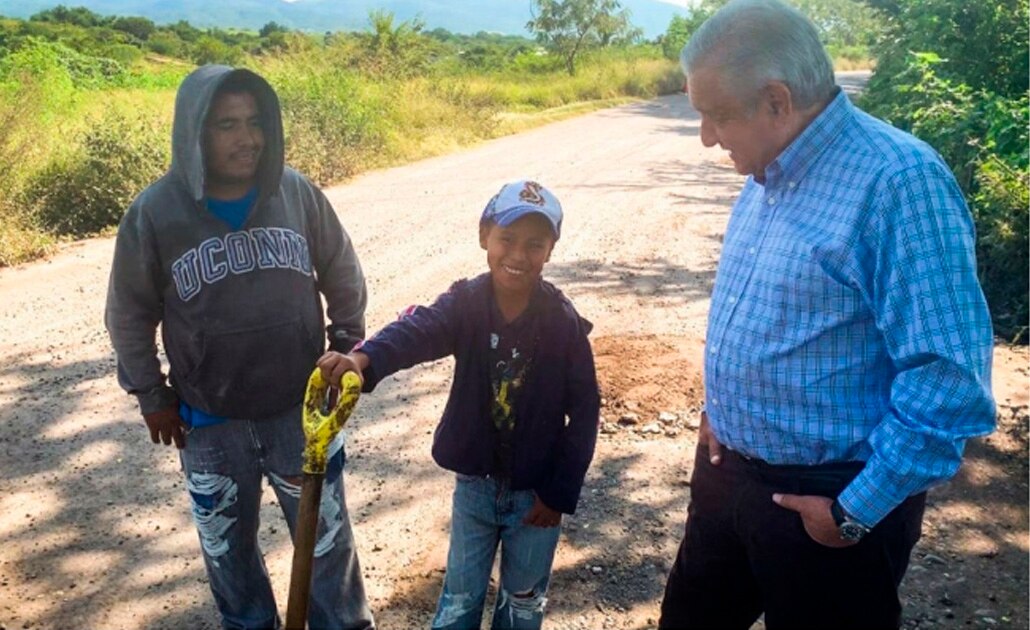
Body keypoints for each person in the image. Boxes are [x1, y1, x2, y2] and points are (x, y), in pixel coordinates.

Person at [659, 1, 996, 628]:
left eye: (717, 115)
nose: (707, 136)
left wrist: (853, 510)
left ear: (777, 101)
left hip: (829, 502)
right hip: (725, 479)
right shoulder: (766, 169)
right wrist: (722, 410)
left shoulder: (899, 182)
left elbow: (949, 378)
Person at [105, 64, 374, 630]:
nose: (245, 138)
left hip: (301, 413)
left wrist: (347, 343)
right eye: (226, 124)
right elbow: (129, 311)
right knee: (228, 556)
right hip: (208, 421)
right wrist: (150, 393)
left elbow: (342, 273)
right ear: (195, 132)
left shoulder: (295, 192)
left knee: (326, 548)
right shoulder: (155, 212)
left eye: (254, 122)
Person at [319, 180, 600, 630]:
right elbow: (418, 329)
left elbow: (585, 411)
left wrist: (558, 493)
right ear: (484, 236)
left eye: (535, 244)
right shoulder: (466, 303)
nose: (518, 255)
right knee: (460, 597)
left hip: (536, 493)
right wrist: (361, 359)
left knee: (524, 602)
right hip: (475, 487)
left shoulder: (562, 322)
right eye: (507, 238)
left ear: (550, 251)